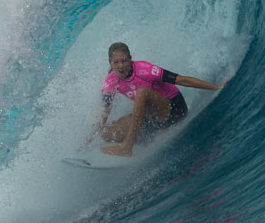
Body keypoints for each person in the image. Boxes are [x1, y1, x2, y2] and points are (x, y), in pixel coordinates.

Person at [93, 42, 225, 156]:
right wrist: (87, 142)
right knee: (107, 132)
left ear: (131, 59)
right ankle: (143, 141)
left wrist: (216, 87)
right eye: (116, 62)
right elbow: (104, 112)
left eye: (124, 60)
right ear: (110, 63)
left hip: (174, 110)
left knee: (142, 92)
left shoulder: (145, 69)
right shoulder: (110, 81)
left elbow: (182, 80)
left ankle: (127, 146)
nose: (121, 66)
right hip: (153, 119)